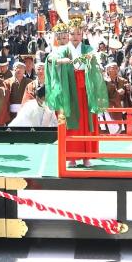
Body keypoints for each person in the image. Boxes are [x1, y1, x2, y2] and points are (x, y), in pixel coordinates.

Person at [45, 16, 108, 168]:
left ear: (83, 35)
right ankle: (71, 157)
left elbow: (95, 61)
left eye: (78, 34)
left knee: (86, 121)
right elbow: (50, 59)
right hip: (69, 89)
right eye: (72, 34)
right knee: (71, 120)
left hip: (85, 88)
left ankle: (87, 156)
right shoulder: (63, 49)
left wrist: (93, 62)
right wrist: (60, 61)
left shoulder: (87, 49)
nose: (75, 37)